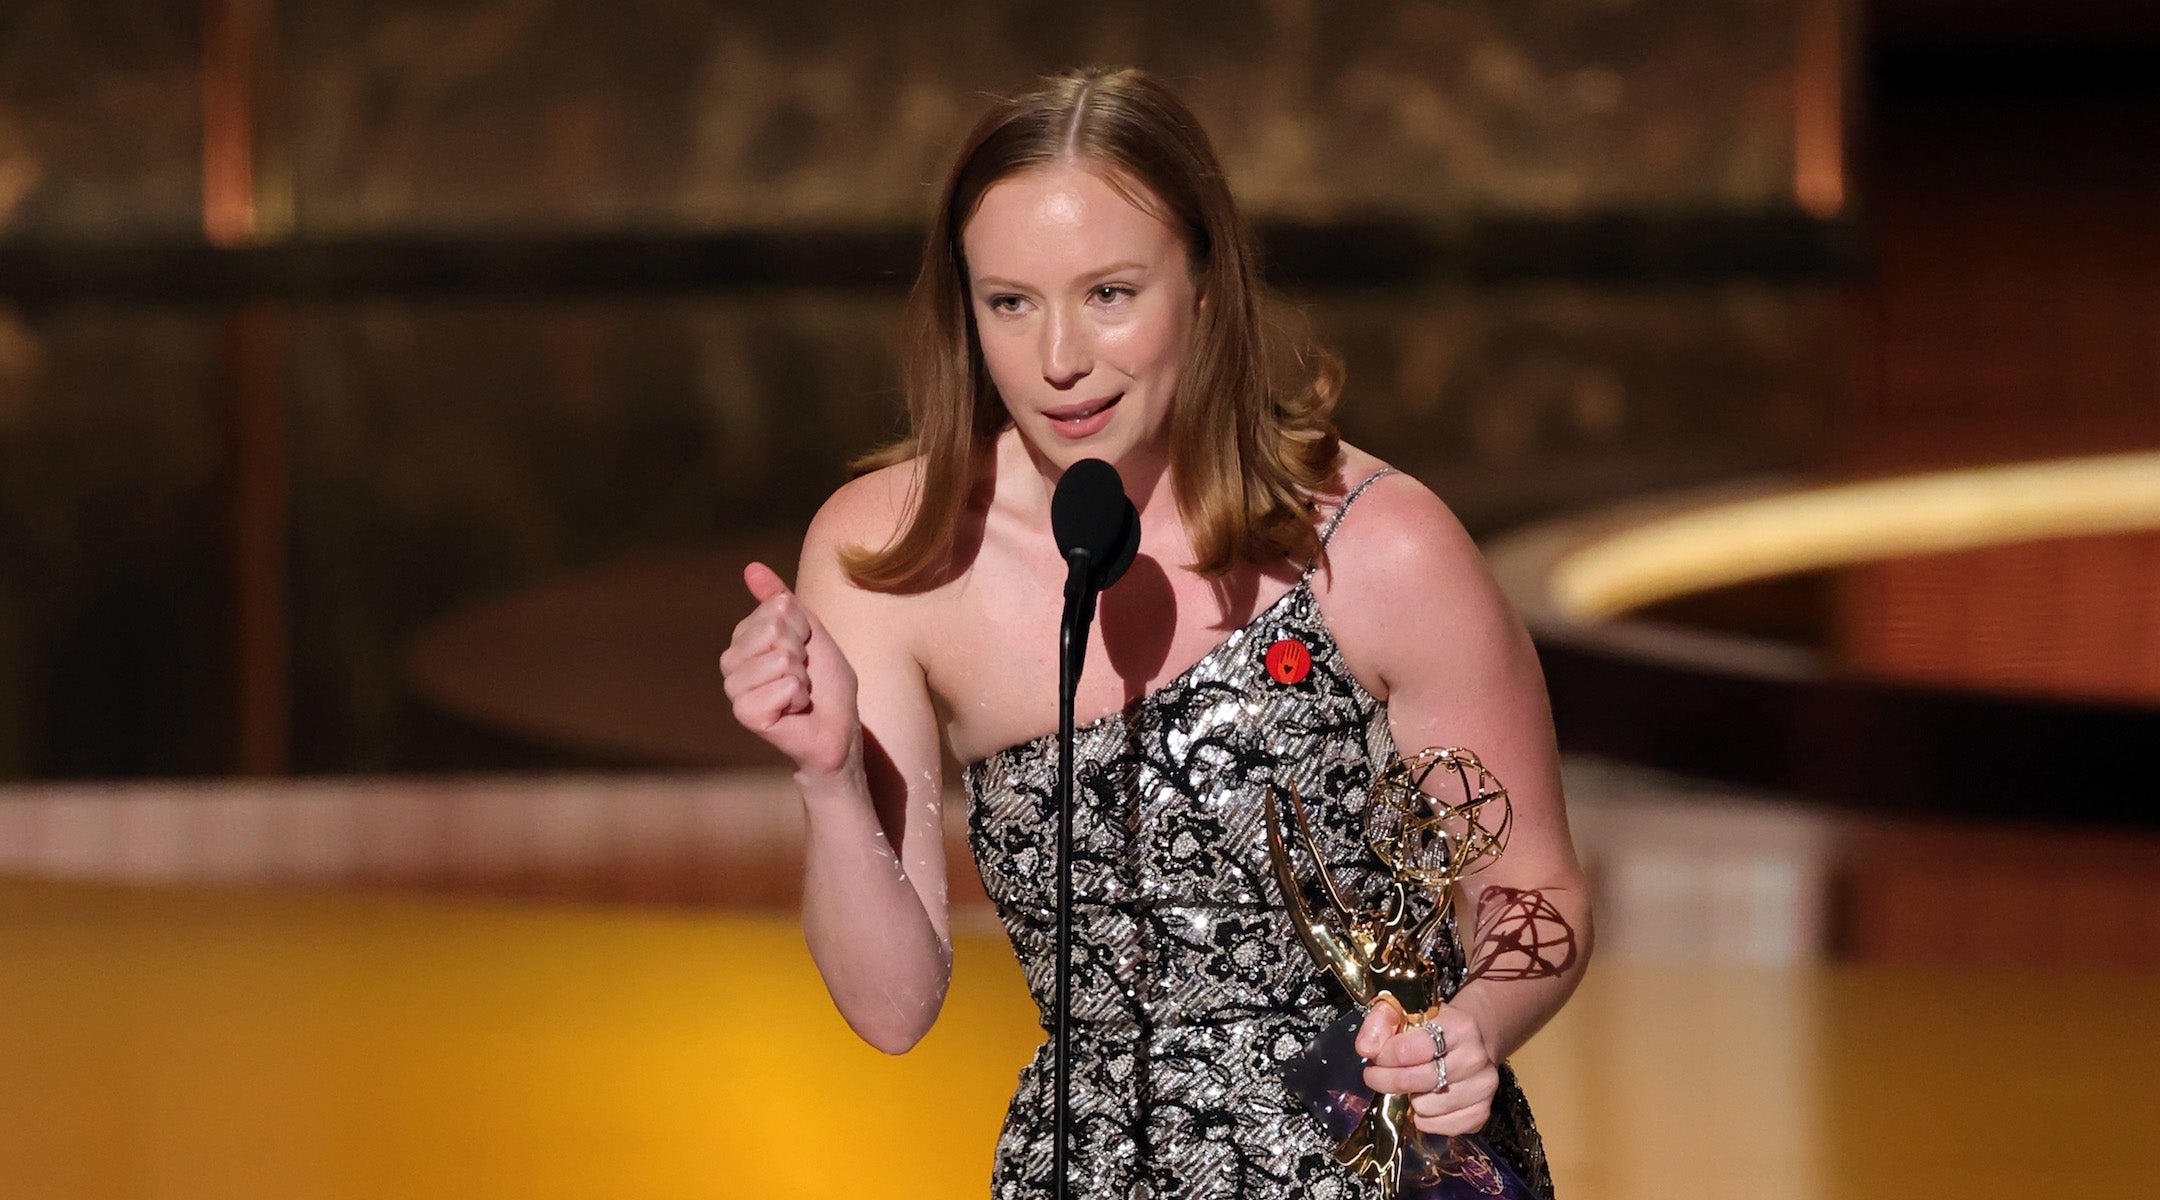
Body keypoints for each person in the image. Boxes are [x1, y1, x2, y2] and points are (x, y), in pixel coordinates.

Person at [721, 65, 1591, 1199]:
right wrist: (830, 780)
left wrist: (1472, 1027)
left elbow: (1535, 892)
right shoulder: (891, 554)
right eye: (1010, 303)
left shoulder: (1381, 546)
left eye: (1110, 294)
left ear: (1206, 285)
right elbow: (892, 1012)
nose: (1059, 359)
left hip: (1378, 1161)